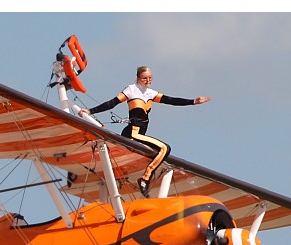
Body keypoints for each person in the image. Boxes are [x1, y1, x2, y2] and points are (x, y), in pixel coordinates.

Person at [80, 66, 210, 197]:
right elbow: (111, 103)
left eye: (150, 78)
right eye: (144, 78)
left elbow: (171, 100)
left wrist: (193, 101)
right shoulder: (131, 90)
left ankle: (142, 179)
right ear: (138, 79)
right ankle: (145, 179)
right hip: (133, 133)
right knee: (165, 148)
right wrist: (90, 111)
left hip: (140, 135)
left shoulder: (151, 93)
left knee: (156, 153)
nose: (148, 80)